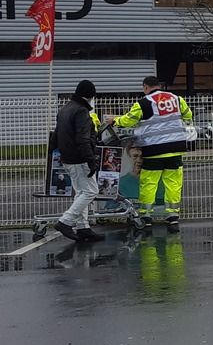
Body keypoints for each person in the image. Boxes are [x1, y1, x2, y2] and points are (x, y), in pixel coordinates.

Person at [113, 76, 194, 224]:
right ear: (159, 85)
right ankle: (172, 216)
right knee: (173, 183)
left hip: (154, 150)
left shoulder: (143, 103)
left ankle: (146, 215)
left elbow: (128, 120)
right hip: (176, 148)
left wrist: (115, 120)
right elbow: (188, 115)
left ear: (145, 87)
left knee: (149, 183)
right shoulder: (176, 99)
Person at [53, 80, 104, 242]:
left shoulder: (64, 109)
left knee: (81, 191)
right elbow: (83, 139)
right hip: (80, 158)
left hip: (67, 158)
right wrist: (91, 160)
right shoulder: (81, 112)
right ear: (90, 95)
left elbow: (56, 134)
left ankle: (83, 227)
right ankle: (65, 221)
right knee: (91, 191)